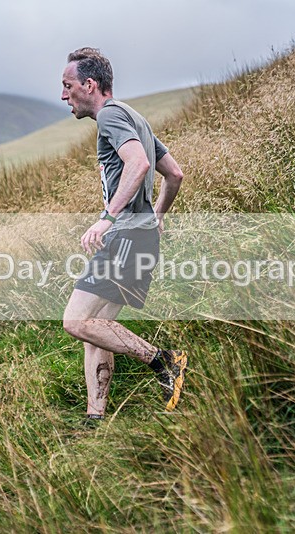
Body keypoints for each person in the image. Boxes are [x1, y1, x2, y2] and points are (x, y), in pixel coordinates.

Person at [60, 47, 186, 423]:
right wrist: (157, 216)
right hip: (142, 236)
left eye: (67, 86)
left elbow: (140, 163)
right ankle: (95, 416)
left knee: (76, 321)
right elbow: (174, 174)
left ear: (89, 84)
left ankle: (163, 360)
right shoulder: (134, 116)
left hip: (126, 238)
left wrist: (106, 218)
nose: (63, 95)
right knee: (98, 329)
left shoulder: (111, 116)